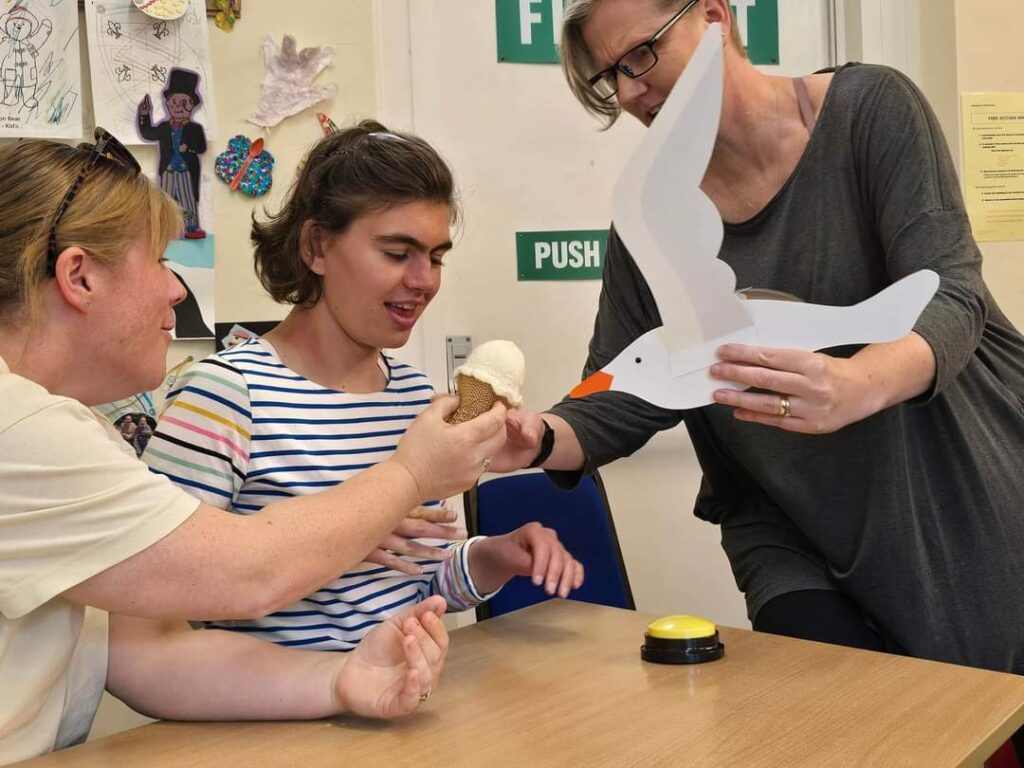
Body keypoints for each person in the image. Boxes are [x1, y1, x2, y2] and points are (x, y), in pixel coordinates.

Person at [497, 0, 1024, 748]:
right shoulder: (647, 231)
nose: (632, 91)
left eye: (642, 54)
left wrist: (856, 384)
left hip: (961, 493)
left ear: (713, 16)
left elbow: (951, 292)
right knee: (838, 738)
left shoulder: (870, 110)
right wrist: (541, 437)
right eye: (611, 77)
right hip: (791, 531)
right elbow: (620, 393)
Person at [0, 130, 508, 765]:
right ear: (78, 276)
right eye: (159, 260)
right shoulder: (21, 433)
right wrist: (408, 474)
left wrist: (339, 679)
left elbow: (140, 655)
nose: (176, 291)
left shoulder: (71, 430)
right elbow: (244, 571)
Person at [143, 120, 584, 651]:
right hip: (269, 716)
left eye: (437, 257)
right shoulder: (223, 394)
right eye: (397, 254)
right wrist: (344, 537)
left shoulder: (419, 400)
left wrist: (495, 557)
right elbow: (165, 590)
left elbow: (421, 574)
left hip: (402, 707)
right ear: (316, 247)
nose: (424, 281)